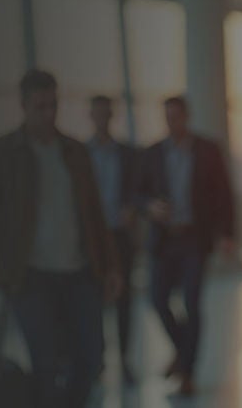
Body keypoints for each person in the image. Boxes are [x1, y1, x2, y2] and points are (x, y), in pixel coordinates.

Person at [0, 69, 116, 407]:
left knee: (92, 358)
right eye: (40, 107)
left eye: (53, 105)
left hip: (79, 272)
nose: (48, 114)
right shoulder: (2, 153)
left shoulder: (74, 153)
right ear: (23, 106)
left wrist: (110, 267)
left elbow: (94, 214)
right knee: (46, 363)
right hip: (30, 275)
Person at [139, 96, 236, 395]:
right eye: (167, 118)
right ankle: (183, 354)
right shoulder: (153, 153)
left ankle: (187, 372)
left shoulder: (207, 151)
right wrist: (150, 206)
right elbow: (138, 192)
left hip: (195, 238)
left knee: (192, 304)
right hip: (165, 240)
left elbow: (224, 194)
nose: (172, 123)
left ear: (186, 117)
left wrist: (227, 234)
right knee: (157, 299)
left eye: (176, 117)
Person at [86, 95, 141, 385]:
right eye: (97, 113)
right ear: (91, 116)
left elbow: (138, 189)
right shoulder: (81, 155)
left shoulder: (126, 154)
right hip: (93, 239)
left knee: (123, 299)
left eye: (106, 113)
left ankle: (124, 360)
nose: (102, 118)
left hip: (119, 235)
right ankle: (97, 360)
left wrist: (131, 208)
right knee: (92, 300)